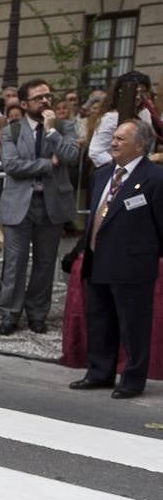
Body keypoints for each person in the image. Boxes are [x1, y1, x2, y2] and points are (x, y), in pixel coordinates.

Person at [69, 120, 163, 398]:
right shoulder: (102, 175)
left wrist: (146, 255)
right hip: (99, 260)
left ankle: (132, 380)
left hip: (133, 264)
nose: (113, 142)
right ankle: (100, 372)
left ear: (140, 145)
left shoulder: (155, 178)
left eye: (121, 139)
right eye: (114, 137)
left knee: (133, 325)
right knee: (100, 320)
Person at [0, 79, 81, 336]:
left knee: (45, 262)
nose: (45, 101)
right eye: (38, 98)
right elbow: (12, 165)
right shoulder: (11, 131)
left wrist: (52, 131)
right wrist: (48, 165)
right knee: (14, 262)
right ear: (24, 104)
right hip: (18, 205)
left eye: (48, 96)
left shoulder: (65, 127)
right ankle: (10, 314)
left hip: (52, 204)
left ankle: (37, 313)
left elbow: (72, 157)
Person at [87, 71, 159, 170]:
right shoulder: (111, 118)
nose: (138, 97)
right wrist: (124, 167)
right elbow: (96, 152)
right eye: (135, 92)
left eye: (142, 92)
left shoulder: (146, 114)